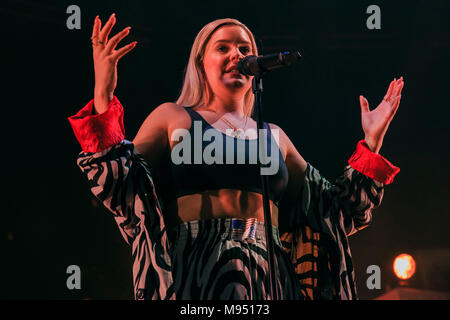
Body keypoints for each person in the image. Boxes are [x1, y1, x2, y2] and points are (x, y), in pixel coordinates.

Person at [68, 14, 403, 300]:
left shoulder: (274, 136)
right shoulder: (172, 118)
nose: (237, 55)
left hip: (268, 270)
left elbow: (335, 213)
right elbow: (121, 185)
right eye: (223, 47)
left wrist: (372, 142)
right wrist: (103, 95)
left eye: (245, 49)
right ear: (201, 61)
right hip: (194, 264)